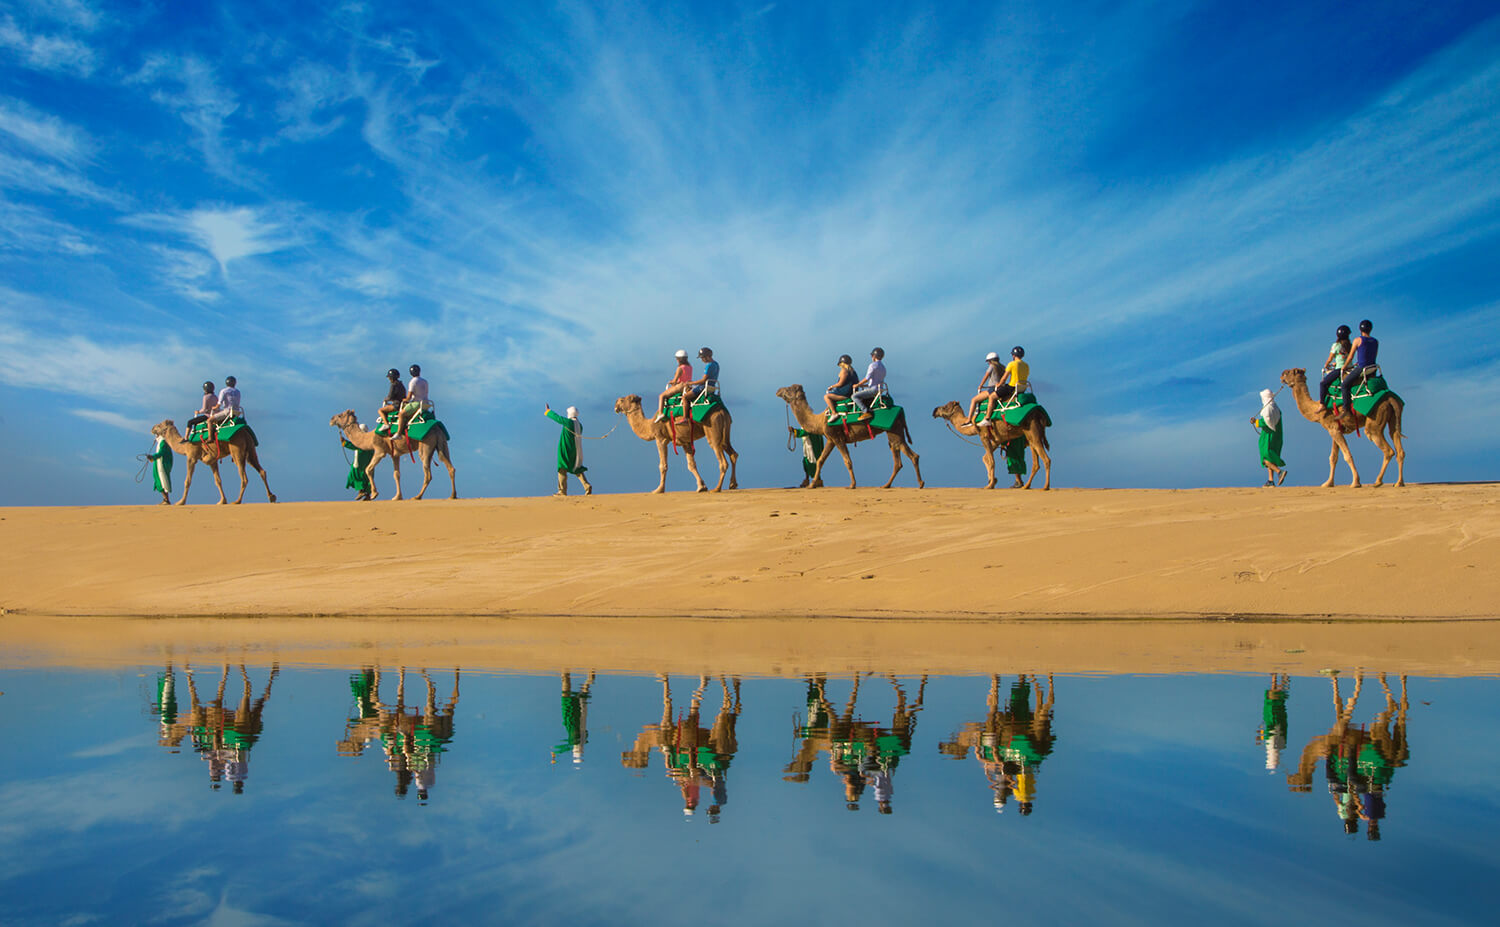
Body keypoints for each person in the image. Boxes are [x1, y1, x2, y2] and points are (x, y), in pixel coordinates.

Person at [545, 403, 593, 495]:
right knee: (577, 468)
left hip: (566, 449)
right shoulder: (579, 425)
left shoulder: (568, 422)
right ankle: (586, 486)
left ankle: (562, 491)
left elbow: (557, 418)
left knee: (562, 467)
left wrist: (548, 411)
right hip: (576, 451)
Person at [1338, 320, 1379, 422]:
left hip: (1363, 368)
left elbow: (1350, 356)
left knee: (1344, 385)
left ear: (1360, 329)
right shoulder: (1375, 341)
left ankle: (1346, 409)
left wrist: (1344, 367)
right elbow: (1373, 356)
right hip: (1372, 369)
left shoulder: (1358, 340)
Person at [1252, 388, 1288, 486]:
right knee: (1272, 458)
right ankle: (1271, 481)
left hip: (1269, 436)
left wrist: (1255, 422)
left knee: (1265, 458)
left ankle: (1279, 472)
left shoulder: (1268, 409)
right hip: (1277, 436)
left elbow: (1266, 421)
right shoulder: (1276, 408)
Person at [652, 350, 693, 421]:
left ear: (679, 359)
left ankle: (660, 413)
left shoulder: (680, 368)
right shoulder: (690, 367)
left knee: (662, 396)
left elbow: (675, 381)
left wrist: (671, 382)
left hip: (681, 386)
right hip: (688, 386)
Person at [851, 347, 887, 422]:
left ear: (874, 356)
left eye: (872, 355)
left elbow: (867, 378)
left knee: (854, 396)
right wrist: (863, 385)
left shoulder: (873, 365)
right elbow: (875, 381)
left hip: (873, 390)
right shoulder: (883, 367)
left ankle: (865, 411)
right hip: (879, 389)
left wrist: (857, 385)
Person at [1319, 325, 1352, 406]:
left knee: (1323, 384)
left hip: (1340, 369)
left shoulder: (1336, 345)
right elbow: (1346, 357)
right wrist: (1336, 362)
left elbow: (1330, 358)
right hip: (1350, 368)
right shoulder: (1350, 345)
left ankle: (1322, 404)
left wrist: (1326, 365)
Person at [967, 352, 1004, 423]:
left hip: (992, 389)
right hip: (1001, 388)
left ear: (990, 361)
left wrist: (981, 385)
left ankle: (969, 420)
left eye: (988, 362)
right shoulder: (1003, 367)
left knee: (974, 400)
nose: (988, 363)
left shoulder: (992, 367)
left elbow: (986, 376)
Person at [395, 364, 429, 437]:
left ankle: (398, 433)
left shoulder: (413, 382)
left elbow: (409, 398)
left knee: (401, 414)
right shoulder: (425, 381)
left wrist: (404, 400)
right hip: (426, 404)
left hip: (417, 404)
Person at [146, 432, 173, 504]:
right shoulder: (161, 442)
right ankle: (165, 499)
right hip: (158, 463)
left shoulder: (163, 442)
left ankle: (166, 500)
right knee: (159, 480)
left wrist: (153, 457)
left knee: (161, 481)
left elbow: (161, 453)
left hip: (162, 464)